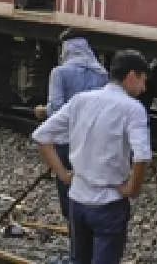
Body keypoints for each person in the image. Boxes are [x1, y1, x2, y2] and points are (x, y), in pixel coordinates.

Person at [32, 49, 153, 264]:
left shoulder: (81, 100)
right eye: (143, 80)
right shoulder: (133, 109)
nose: (144, 88)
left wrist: (63, 175)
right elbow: (142, 155)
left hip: (77, 199)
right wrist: (132, 189)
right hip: (109, 202)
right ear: (132, 75)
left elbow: (41, 136)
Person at [34, 33, 109, 219]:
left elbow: (56, 108)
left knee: (68, 191)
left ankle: (75, 235)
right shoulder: (101, 74)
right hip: (93, 142)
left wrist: (42, 110)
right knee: (90, 190)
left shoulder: (59, 73)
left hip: (67, 142)